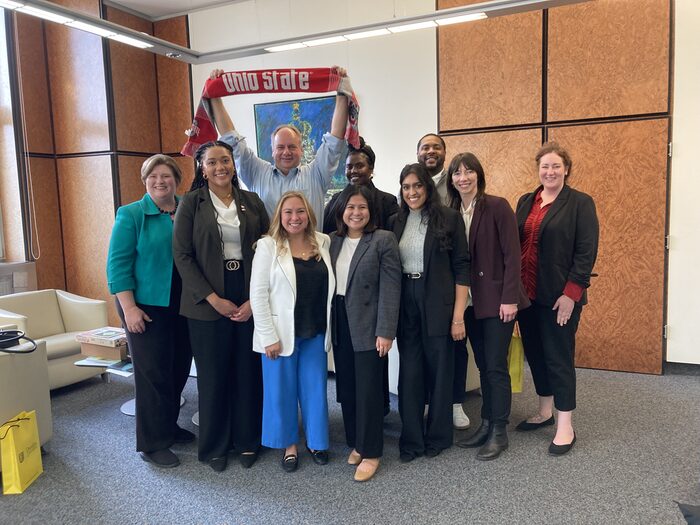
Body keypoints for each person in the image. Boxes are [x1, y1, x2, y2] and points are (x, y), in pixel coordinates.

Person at [172, 140, 269, 472]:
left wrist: (255, 301)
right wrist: (213, 299)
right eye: (212, 162)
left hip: (248, 294)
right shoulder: (190, 203)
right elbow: (182, 256)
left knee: (247, 373)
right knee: (213, 376)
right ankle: (215, 446)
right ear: (202, 168)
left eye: (225, 160)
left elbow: (269, 249)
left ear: (233, 164)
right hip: (205, 301)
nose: (220, 167)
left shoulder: (252, 202)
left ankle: (247, 441)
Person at [106, 154, 193, 468]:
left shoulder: (188, 208)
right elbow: (117, 266)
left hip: (183, 303)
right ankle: (152, 443)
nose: (160, 182)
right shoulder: (131, 214)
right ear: (145, 181)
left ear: (176, 180)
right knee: (152, 373)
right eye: (153, 176)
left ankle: (168, 425)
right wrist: (129, 308)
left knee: (178, 367)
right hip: (144, 305)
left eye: (166, 176)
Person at [515, 142, 599, 456]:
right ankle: (545, 411)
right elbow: (515, 245)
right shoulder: (526, 201)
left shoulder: (580, 203)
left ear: (566, 169)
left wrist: (571, 295)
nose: (550, 172)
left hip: (559, 298)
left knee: (558, 358)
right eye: (545, 166)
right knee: (535, 355)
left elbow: (586, 252)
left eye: (556, 166)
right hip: (527, 296)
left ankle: (566, 425)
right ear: (538, 170)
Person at [446, 153, 530, 460]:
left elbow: (512, 255)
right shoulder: (453, 210)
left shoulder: (496, 206)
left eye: (468, 172)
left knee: (496, 366)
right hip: (469, 303)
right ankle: (484, 423)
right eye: (457, 173)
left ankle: (499, 429)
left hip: (497, 302)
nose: (463, 178)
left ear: (479, 175)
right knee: (482, 365)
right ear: (451, 179)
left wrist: (510, 298)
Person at [250, 191, 335, 472]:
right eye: (288, 212)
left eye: (300, 211)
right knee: (281, 391)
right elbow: (258, 294)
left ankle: (317, 441)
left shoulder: (323, 242)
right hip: (280, 334)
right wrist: (267, 336)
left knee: (315, 389)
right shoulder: (267, 246)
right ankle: (289, 445)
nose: (294, 217)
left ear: (309, 214)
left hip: (315, 330)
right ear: (279, 216)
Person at [389, 163, 470, 462]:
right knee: (409, 373)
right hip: (405, 302)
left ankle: (438, 436)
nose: (412, 192)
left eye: (417, 186)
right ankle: (411, 439)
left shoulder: (448, 218)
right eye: (406, 187)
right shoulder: (393, 221)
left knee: (440, 372)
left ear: (427, 187)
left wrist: (458, 316)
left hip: (438, 300)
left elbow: (463, 267)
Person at [207, 67, 350, 225]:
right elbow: (230, 140)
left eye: (292, 147)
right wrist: (215, 94)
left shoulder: (316, 174)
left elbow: (335, 140)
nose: (286, 152)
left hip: (311, 248)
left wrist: (342, 92)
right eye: (280, 147)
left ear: (301, 149)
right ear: (272, 150)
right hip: (269, 249)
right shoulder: (257, 173)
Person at [329, 185, 401, 481]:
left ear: (370, 212)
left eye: (362, 208)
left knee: (369, 389)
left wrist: (386, 331)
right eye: (350, 207)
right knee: (347, 387)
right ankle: (357, 442)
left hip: (370, 324)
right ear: (341, 211)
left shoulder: (383, 240)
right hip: (339, 319)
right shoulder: (331, 241)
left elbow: (391, 288)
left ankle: (371, 452)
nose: (356, 213)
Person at [417, 133, 469, 430]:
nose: (431, 151)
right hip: (425, 281)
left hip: (451, 277)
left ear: (445, 152)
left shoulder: (456, 181)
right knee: (427, 347)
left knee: (455, 345)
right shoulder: (412, 184)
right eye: (425, 147)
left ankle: (455, 402)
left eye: (436, 147)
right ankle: (429, 400)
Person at [322, 137, 399, 234]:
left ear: (371, 168)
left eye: (359, 166)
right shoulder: (336, 200)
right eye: (349, 167)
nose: (353, 171)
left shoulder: (387, 201)